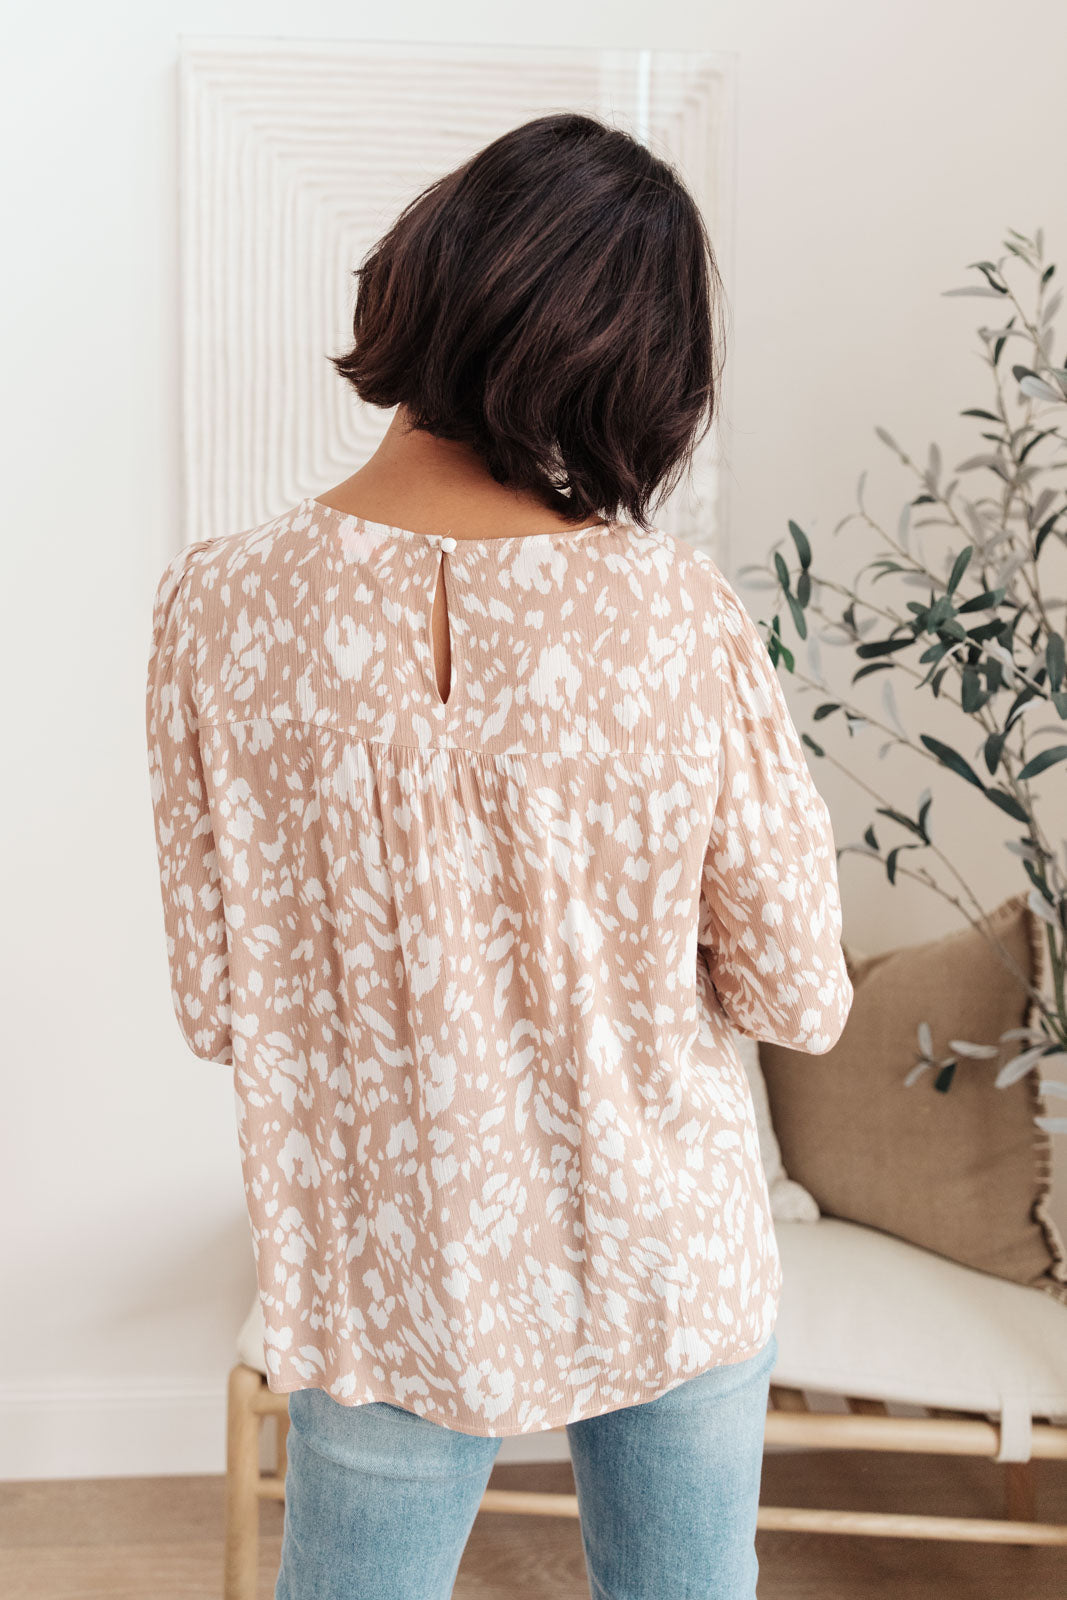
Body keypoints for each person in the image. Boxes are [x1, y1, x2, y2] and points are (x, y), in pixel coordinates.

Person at [145, 111, 852, 1600]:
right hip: (669, 1254)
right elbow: (798, 992)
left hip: (389, 1271)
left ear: (425, 273)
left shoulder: (214, 610)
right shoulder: (680, 620)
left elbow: (222, 1005)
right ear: (636, 368)